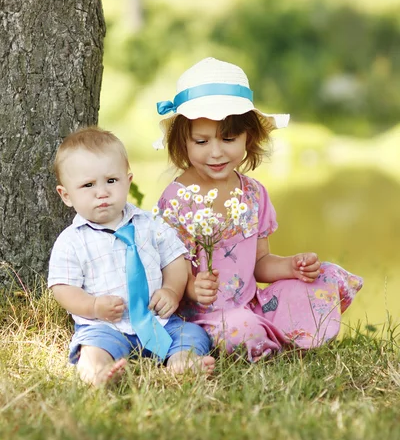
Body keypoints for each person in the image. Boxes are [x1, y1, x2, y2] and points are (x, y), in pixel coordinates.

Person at [155, 57, 363, 362]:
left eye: (229, 138)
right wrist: (190, 287)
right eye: (201, 141)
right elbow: (168, 271)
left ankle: (276, 331)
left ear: (248, 137)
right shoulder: (176, 200)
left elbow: (260, 263)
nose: (216, 152)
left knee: (322, 278)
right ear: (183, 141)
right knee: (242, 327)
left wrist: (290, 266)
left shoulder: (253, 193)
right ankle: (260, 340)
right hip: (204, 317)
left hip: (251, 303)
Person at [48, 126, 215, 386]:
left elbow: (174, 259)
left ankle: (183, 362)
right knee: (93, 348)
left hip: (158, 321)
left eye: (111, 181)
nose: (101, 192)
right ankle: (99, 373)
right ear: (66, 195)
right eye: (88, 185)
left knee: (191, 334)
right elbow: (63, 288)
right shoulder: (72, 241)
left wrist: (171, 290)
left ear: (128, 181)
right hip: (106, 326)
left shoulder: (150, 225)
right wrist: (93, 307)